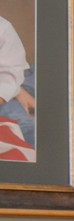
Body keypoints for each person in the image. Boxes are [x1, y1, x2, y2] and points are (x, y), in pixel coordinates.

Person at [0, 14, 33, 146]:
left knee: (28, 131)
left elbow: (7, 81)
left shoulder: (3, 27)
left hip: (5, 90)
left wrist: (12, 89)